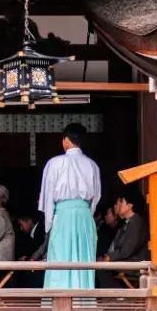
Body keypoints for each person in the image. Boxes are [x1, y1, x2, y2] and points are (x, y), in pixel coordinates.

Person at [39, 123, 101, 289]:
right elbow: (96, 198)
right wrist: (86, 213)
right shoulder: (92, 165)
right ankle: (84, 299)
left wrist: (49, 224)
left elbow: (49, 196)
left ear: (66, 141)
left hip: (63, 216)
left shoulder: (55, 163)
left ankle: (59, 299)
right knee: (83, 256)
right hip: (84, 216)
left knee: (61, 254)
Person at [99, 189, 149, 288]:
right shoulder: (128, 222)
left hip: (134, 264)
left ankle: (119, 298)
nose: (119, 205)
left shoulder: (136, 222)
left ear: (130, 205)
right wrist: (107, 256)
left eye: (122, 202)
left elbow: (127, 250)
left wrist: (109, 258)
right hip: (126, 261)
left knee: (101, 270)